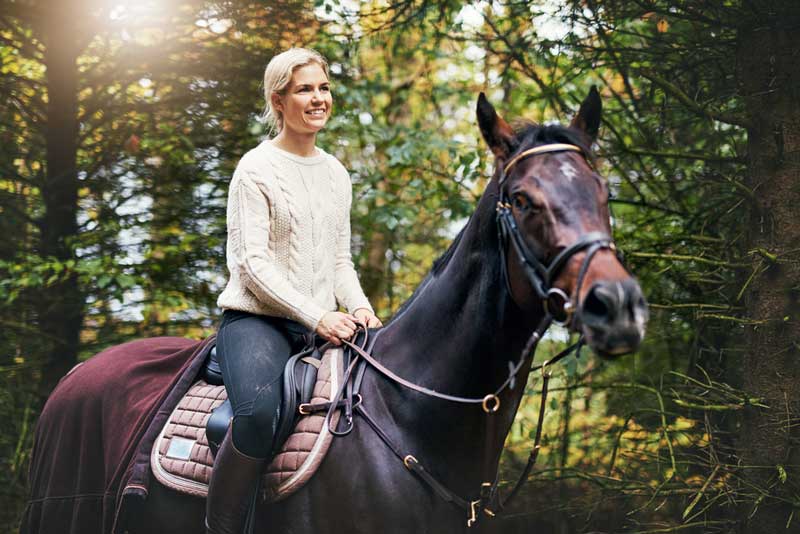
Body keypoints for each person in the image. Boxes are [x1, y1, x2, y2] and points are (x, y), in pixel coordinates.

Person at [207, 47, 382, 534]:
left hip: (324, 324)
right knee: (259, 414)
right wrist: (317, 315)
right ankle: (220, 525)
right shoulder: (256, 169)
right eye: (305, 89)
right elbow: (252, 264)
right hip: (257, 323)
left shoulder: (336, 174)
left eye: (323, 87)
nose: (318, 98)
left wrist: (361, 307)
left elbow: (340, 260)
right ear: (278, 100)